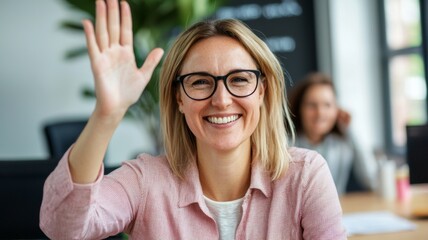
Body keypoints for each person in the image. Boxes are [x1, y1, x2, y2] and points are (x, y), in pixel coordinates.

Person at [39, 0, 346, 239]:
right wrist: (108, 113)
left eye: (239, 79)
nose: (221, 99)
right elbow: (64, 229)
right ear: (179, 98)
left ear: (262, 92)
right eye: (200, 82)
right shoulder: (145, 181)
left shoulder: (305, 175)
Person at [288, 72, 377, 195]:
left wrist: (350, 128)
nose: (320, 113)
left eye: (327, 105)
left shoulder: (342, 146)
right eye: (312, 105)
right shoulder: (286, 145)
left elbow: (371, 179)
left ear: (337, 110)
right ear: (300, 109)